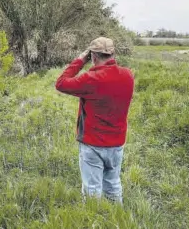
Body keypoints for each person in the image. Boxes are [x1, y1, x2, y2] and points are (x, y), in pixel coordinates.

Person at [54, 37, 135, 204]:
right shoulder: (128, 75)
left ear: (93, 56)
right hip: (117, 142)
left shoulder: (91, 79)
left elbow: (61, 83)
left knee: (92, 188)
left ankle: (93, 219)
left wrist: (79, 60)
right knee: (113, 184)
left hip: (92, 143)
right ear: (113, 54)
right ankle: (117, 219)